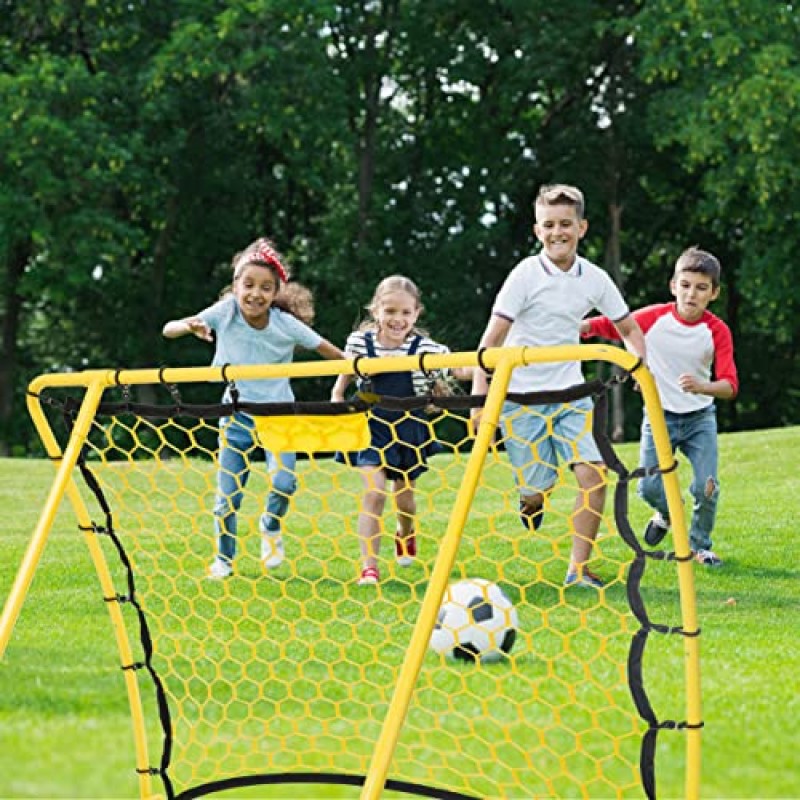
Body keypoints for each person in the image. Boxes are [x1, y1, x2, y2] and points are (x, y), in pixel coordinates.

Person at [471, 183, 646, 589]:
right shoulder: (525, 276)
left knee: (594, 476)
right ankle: (531, 498)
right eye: (548, 225)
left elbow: (630, 330)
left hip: (570, 393)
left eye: (565, 224)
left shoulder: (594, 278)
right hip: (522, 398)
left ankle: (577, 569)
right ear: (537, 230)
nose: (557, 233)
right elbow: (489, 342)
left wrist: (641, 367)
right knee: (537, 489)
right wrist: (481, 403)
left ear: (582, 227)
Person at [163, 237, 344, 579]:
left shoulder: (284, 323)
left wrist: (358, 370)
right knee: (228, 496)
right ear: (235, 287)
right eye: (248, 285)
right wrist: (190, 325)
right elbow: (168, 329)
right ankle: (223, 560)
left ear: (276, 292)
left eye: (265, 287)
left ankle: (270, 525)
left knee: (285, 482)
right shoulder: (225, 312)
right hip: (236, 416)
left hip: (279, 416)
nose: (255, 294)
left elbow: (329, 351)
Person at [581, 246, 738, 566]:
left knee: (706, 487)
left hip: (699, 419)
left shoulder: (717, 331)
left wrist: (702, 386)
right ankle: (667, 512)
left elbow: (730, 386)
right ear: (673, 286)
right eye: (685, 285)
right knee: (649, 487)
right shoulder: (654, 318)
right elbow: (611, 326)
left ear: (714, 293)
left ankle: (700, 546)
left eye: (701, 288)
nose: (691, 294)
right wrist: (576, 327)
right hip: (659, 416)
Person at [331, 275, 471, 585]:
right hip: (370, 425)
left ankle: (405, 532)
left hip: (409, 427)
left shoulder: (425, 348)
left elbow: (458, 368)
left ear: (417, 313)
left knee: (405, 500)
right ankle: (369, 567)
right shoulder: (359, 342)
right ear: (375, 310)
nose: (398, 319)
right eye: (390, 311)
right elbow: (342, 373)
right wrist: (338, 398)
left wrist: (487, 364)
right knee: (374, 492)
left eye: (405, 313)